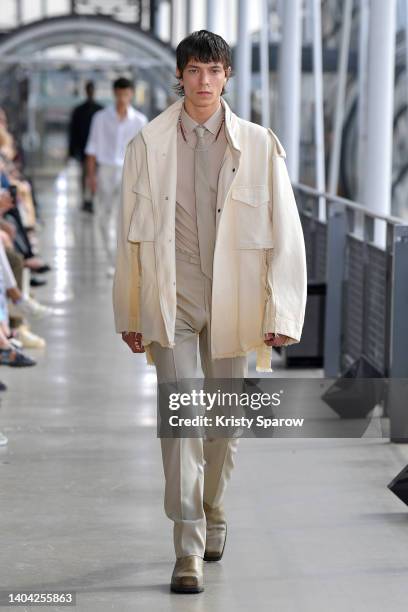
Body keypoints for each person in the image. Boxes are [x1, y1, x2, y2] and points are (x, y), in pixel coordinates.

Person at [113, 30, 307, 594]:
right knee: (181, 422)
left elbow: (286, 235)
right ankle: (187, 545)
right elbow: (127, 237)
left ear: (227, 77)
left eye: (213, 71)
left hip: (237, 298)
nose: (202, 81)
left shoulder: (258, 145)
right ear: (180, 76)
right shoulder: (147, 145)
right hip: (172, 295)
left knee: (222, 422)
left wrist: (284, 311)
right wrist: (130, 311)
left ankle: (215, 508)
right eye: (193, 70)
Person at [85, 77, 148, 276]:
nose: (122, 98)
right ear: (114, 94)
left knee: (126, 218)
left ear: (131, 95)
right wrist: (91, 177)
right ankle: (113, 260)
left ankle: (124, 261)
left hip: (129, 172)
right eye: (119, 94)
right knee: (104, 217)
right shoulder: (100, 118)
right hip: (105, 170)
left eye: (126, 94)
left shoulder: (140, 121)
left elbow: (143, 152)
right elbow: (92, 149)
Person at [68, 81, 103, 213]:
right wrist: (72, 151)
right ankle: (85, 200)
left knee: (95, 175)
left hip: (98, 150)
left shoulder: (100, 110)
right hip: (83, 149)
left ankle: (93, 199)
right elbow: (73, 132)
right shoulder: (79, 110)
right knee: (84, 175)